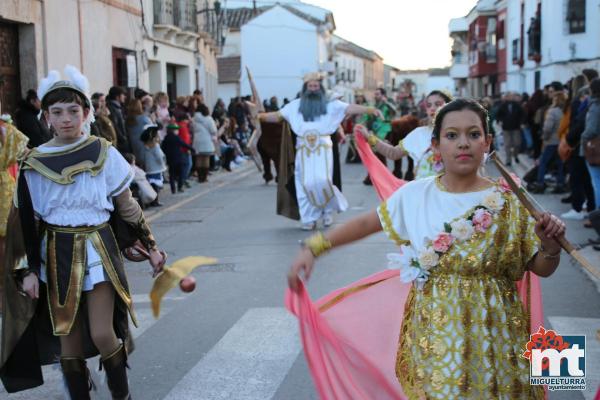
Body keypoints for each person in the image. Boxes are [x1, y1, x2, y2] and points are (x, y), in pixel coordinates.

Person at [287, 98, 566, 399]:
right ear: (435, 145)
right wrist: (313, 247)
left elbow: (541, 268)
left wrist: (551, 246)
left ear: (487, 143)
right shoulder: (415, 195)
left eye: (474, 135)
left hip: (497, 332)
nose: (463, 144)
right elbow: (367, 223)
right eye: (452, 135)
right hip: (436, 334)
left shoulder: (511, 200)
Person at [0, 66, 165, 399]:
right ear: (46, 117)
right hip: (56, 254)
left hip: (98, 249)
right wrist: (27, 272)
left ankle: (122, 394)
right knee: (68, 342)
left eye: (73, 111)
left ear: (86, 113)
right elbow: (24, 226)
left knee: (104, 334)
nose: (65, 119)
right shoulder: (33, 163)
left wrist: (151, 245)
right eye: (57, 112)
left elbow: (127, 206)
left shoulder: (104, 153)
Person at [258, 72, 383, 230]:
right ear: (305, 88)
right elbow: (277, 116)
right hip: (303, 150)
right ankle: (308, 218)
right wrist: (260, 116)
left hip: (323, 150)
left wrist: (370, 110)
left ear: (320, 88)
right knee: (305, 183)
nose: (313, 89)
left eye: (316, 86)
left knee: (322, 181)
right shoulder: (295, 105)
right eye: (310, 86)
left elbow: (349, 108)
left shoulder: (330, 104)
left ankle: (327, 211)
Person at [358, 90, 452, 180]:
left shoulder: (458, 134)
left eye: (438, 104)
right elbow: (393, 153)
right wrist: (369, 137)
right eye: (428, 105)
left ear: (449, 106)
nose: (432, 108)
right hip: (422, 192)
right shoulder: (419, 133)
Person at [0, 117, 29, 309]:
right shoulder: (7, 131)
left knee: (5, 244)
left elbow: (28, 155)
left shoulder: (7, 131)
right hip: (5, 189)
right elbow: (27, 154)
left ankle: (5, 294)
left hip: (5, 191)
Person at [530, 91, 567, 193]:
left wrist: (544, 137)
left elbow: (547, 128)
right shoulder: (565, 111)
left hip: (551, 141)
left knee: (543, 162)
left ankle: (540, 183)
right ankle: (560, 183)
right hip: (562, 141)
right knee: (560, 164)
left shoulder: (552, 111)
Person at [360, 88, 397, 185]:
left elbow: (394, 112)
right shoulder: (372, 106)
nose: (375, 96)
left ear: (383, 95)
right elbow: (366, 117)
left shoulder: (387, 105)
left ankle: (382, 178)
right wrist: (361, 125)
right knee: (373, 156)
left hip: (384, 132)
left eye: (378, 94)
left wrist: (387, 103)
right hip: (374, 133)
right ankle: (373, 177)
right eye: (375, 94)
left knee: (381, 156)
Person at [161, 123, 195, 194]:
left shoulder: (166, 138)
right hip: (178, 158)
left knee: (172, 175)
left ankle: (173, 189)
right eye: (177, 130)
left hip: (170, 159)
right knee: (181, 173)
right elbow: (184, 144)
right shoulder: (176, 138)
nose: (178, 131)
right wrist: (192, 149)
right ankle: (180, 187)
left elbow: (163, 148)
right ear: (173, 130)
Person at [582, 78, 600, 212]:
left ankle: (598, 213)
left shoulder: (595, 106)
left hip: (595, 148)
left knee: (597, 182)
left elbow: (591, 129)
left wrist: (583, 137)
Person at [495, 92, 525, 166]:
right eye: (508, 96)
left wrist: (521, 123)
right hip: (506, 127)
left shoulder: (517, 105)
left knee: (517, 143)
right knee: (507, 144)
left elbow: (523, 115)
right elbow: (498, 115)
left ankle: (515, 155)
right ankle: (508, 160)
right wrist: (499, 121)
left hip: (516, 127)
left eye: (511, 96)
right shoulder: (503, 105)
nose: (510, 98)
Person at [139, 125, 167, 207]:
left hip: (148, 168)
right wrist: (163, 163)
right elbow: (159, 157)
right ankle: (155, 201)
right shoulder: (156, 146)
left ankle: (151, 200)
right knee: (156, 186)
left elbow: (141, 157)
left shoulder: (144, 146)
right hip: (157, 169)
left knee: (151, 185)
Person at [191, 103, 218, 182]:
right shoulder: (209, 119)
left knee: (198, 158)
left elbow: (192, 129)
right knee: (206, 158)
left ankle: (199, 177)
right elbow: (213, 130)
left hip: (197, 140)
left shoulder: (194, 119)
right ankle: (204, 177)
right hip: (206, 141)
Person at [106, 86, 130, 153]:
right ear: (117, 96)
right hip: (120, 143)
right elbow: (116, 126)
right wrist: (123, 138)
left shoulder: (117, 107)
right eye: (123, 95)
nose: (124, 97)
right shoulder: (113, 108)